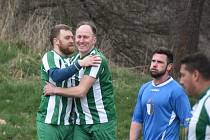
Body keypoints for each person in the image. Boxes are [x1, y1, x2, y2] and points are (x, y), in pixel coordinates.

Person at [44, 21, 117, 140]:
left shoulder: (96, 59)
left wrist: (55, 90)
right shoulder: (76, 59)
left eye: (86, 37)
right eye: (78, 36)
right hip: (80, 123)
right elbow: (60, 74)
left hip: (101, 121)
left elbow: (81, 91)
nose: (81, 40)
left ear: (94, 40)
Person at [36, 24, 101, 140]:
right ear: (56, 41)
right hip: (50, 121)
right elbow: (56, 76)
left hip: (69, 123)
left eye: (72, 37)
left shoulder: (71, 61)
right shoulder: (49, 56)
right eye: (67, 38)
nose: (72, 41)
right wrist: (80, 63)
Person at [129, 47, 192, 140]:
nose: (154, 64)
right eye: (153, 61)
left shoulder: (177, 91)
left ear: (169, 66)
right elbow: (137, 120)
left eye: (160, 62)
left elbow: (189, 124)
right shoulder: (144, 88)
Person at [179, 53, 210, 140]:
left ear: (195, 75)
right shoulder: (201, 101)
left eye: (183, 75)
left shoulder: (208, 102)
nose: (181, 81)